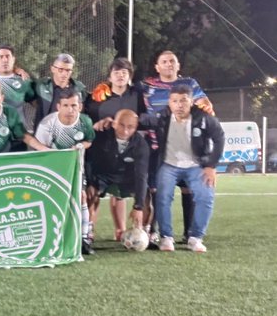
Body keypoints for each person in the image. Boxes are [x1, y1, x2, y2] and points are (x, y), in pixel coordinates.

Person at [140, 84, 224, 253]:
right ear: (169, 103)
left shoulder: (203, 118)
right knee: (162, 197)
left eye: (184, 101)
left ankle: (195, 238)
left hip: (196, 166)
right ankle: (166, 237)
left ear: (191, 102)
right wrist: (117, 119)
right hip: (169, 165)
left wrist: (211, 166)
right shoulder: (162, 117)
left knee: (206, 196)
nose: (179, 105)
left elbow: (219, 137)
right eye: (175, 101)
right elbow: (141, 120)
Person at [142, 49, 214, 243]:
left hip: (186, 146)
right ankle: (154, 232)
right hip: (158, 147)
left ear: (178, 65)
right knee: (156, 188)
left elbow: (205, 103)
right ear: (157, 67)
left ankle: (189, 232)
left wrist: (205, 108)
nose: (169, 64)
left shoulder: (190, 84)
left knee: (188, 189)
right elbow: (125, 90)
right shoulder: (147, 86)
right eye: (164, 61)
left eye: (172, 61)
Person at [30, 89, 96, 253]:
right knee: (52, 200)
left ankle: (83, 239)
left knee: (81, 197)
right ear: (58, 107)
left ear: (80, 106)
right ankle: (50, 238)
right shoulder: (47, 124)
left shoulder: (85, 121)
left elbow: (89, 141)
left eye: (73, 105)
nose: (70, 110)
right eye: (65, 105)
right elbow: (40, 149)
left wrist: (80, 146)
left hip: (75, 166)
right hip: (52, 168)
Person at [86, 109, 149, 243]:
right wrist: (91, 183)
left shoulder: (141, 145)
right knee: (90, 194)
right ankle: (87, 230)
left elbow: (141, 175)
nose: (125, 131)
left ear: (136, 127)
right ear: (114, 123)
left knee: (146, 195)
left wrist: (138, 207)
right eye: (121, 125)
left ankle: (142, 231)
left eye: (130, 127)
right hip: (103, 174)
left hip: (127, 177)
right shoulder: (101, 136)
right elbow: (89, 160)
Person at [33, 54, 87, 131]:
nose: (64, 74)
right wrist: (18, 70)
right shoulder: (41, 85)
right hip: (43, 134)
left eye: (68, 70)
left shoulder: (79, 89)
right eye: (60, 69)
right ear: (53, 69)